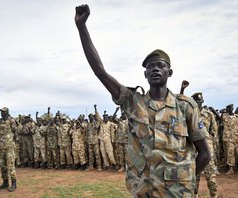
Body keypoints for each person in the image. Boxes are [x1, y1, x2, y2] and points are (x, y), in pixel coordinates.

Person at [75, 4, 211, 197]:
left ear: (169, 72)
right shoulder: (132, 102)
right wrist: (82, 27)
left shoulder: (185, 106)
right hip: (143, 191)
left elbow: (205, 154)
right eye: (151, 67)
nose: (155, 69)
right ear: (145, 74)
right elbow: (100, 72)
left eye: (160, 66)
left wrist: (186, 179)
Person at [191, 92, 218, 198]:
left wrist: (213, 146)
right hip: (193, 147)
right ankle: (195, 194)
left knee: (210, 173)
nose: (198, 103)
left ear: (203, 101)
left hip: (207, 147)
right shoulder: (190, 113)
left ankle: (214, 194)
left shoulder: (209, 114)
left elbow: (213, 131)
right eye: (196, 101)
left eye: (200, 101)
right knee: (194, 172)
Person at [221, 104, 238, 175]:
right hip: (229, 138)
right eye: (227, 108)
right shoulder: (224, 116)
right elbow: (219, 117)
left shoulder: (237, 117)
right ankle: (231, 169)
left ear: (232, 109)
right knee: (230, 153)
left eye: (229, 108)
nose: (227, 110)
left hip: (237, 137)